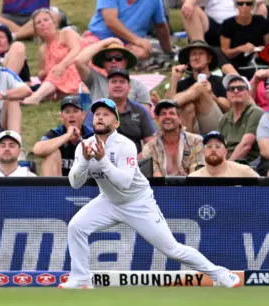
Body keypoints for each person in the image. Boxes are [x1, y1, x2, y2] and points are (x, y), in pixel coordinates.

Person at [60, 98, 241, 289]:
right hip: (108, 201)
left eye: (106, 114)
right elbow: (75, 183)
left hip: (137, 202)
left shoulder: (125, 145)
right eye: (97, 114)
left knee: (172, 249)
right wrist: (84, 161)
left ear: (116, 122)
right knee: (76, 227)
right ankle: (81, 278)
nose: (100, 118)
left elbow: (123, 182)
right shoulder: (84, 147)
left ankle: (221, 274)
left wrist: (102, 160)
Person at [164, 40, 230, 134]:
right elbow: (165, 107)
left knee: (199, 88)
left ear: (209, 59)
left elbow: (228, 110)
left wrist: (211, 95)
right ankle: (188, 145)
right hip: (189, 127)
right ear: (189, 60)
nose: (197, 57)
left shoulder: (220, 81)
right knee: (188, 107)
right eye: (193, 54)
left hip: (216, 126)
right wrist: (174, 79)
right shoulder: (182, 84)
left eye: (201, 54)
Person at [23, 8, 81, 105]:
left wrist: (62, 65)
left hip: (78, 71)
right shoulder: (43, 49)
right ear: (36, 30)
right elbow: (43, 72)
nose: (43, 24)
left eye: (46, 20)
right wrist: (42, 74)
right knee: (55, 72)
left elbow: (77, 50)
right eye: (38, 22)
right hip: (59, 80)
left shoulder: (66, 33)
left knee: (58, 71)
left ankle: (36, 97)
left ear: (54, 23)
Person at [75, 39, 151, 105]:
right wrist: (106, 42)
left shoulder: (138, 86)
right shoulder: (95, 81)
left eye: (118, 57)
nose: (113, 61)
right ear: (103, 63)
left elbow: (145, 116)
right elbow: (79, 61)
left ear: (125, 61)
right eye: (108, 58)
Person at [33, 96, 94, 176]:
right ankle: (50, 188)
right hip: (60, 185)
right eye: (67, 112)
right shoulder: (56, 133)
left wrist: (81, 139)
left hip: (86, 184)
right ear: (62, 116)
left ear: (83, 115)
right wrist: (67, 136)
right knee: (52, 152)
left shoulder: (92, 134)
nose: (71, 115)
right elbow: (37, 150)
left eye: (75, 111)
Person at [142, 99, 204, 176]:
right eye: (163, 114)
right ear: (158, 120)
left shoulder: (196, 141)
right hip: (161, 187)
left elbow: (196, 175)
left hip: (191, 187)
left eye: (172, 113)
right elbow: (156, 177)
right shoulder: (149, 148)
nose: (167, 117)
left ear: (179, 118)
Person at [219, 0, 269, 75]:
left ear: (253, 6)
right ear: (236, 5)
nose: (244, 6)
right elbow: (225, 53)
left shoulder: (261, 21)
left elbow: (268, 46)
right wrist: (240, 49)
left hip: (258, 62)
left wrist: (262, 50)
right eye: (240, 3)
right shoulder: (227, 24)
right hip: (235, 64)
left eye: (248, 3)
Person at [105, 69, 156, 154]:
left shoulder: (140, 110)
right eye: (114, 82)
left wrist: (138, 159)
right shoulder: (96, 108)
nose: (118, 85)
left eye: (122, 82)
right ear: (108, 87)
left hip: (135, 161)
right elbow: (88, 139)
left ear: (129, 87)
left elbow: (151, 141)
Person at [218, 75, 263, 164]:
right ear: (227, 94)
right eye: (231, 89)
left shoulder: (256, 112)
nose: (235, 91)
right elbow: (219, 146)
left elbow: (246, 146)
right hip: (226, 162)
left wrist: (227, 167)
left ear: (248, 93)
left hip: (248, 162)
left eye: (240, 88)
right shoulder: (224, 118)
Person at [188, 131, 259, 177]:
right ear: (203, 152)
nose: (213, 150)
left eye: (218, 146)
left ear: (225, 152)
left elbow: (261, 190)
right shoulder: (194, 177)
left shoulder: (243, 171)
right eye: (209, 146)